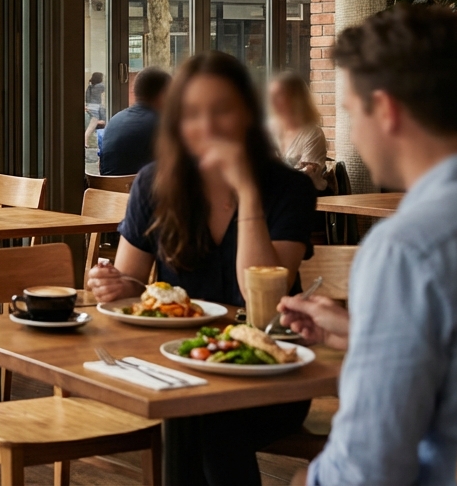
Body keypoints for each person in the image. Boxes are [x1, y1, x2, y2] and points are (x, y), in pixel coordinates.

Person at [86, 51, 316, 486]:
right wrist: (116, 285)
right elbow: (133, 283)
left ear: (247, 114)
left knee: (205, 417)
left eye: (221, 110)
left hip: (265, 372)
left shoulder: (289, 189)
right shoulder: (154, 182)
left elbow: (260, 297)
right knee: (196, 413)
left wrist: (246, 190)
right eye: (192, 113)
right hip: (177, 364)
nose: (206, 126)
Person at [279, 6, 457, 486]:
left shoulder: (407, 250)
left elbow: (368, 470)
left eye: (349, 110)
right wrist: (367, 331)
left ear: (385, 110)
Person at [98, 66, 171, 176]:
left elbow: (102, 164)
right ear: (164, 94)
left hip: (107, 191)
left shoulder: (115, 120)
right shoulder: (162, 124)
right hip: (137, 191)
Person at [268, 71, 328, 190]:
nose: (272, 101)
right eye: (271, 95)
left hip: (307, 199)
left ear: (296, 98)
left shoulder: (313, 133)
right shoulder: (268, 129)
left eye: (279, 95)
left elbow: (306, 177)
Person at [84, 71, 106, 147]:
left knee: (91, 125)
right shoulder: (100, 86)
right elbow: (105, 89)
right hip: (95, 108)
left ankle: (86, 140)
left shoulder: (90, 87)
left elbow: (86, 97)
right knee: (91, 126)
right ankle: (85, 140)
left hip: (89, 107)